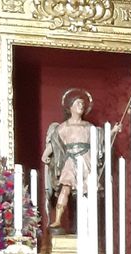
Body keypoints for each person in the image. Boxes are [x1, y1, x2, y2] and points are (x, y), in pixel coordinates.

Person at [44, 88, 120, 229]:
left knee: (89, 191)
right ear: (70, 107)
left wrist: (113, 131)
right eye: (78, 103)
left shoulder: (89, 127)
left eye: (83, 104)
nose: (81, 106)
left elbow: (100, 138)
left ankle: (89, 222)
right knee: (65, 189)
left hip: (86, 159)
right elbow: (55, 144)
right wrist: (45, 155)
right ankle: (58, 219)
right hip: (70, 160)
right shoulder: (63, 127)